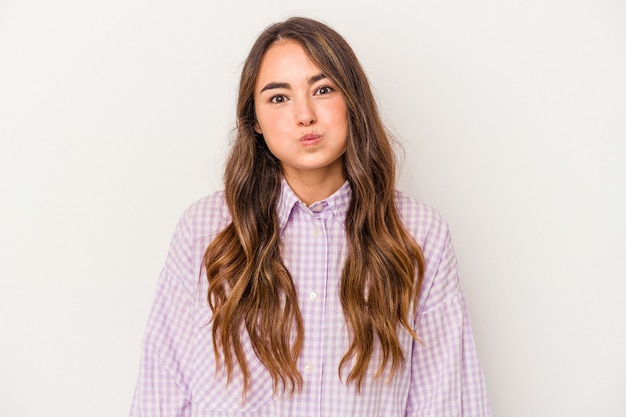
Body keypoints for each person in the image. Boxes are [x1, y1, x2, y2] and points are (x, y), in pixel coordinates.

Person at [130, 16, 491, 417]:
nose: (305, 115)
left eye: (322, 89)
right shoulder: (206, 230)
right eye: (278, 97)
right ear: (255, 122)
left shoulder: (418, 234)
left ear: (352, 102)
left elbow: (444, 400)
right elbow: (162, 390)